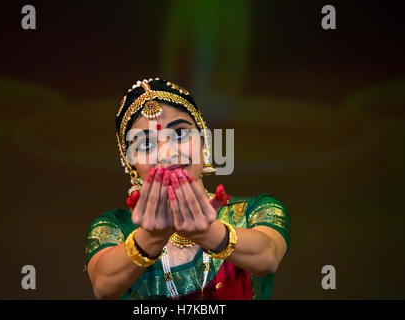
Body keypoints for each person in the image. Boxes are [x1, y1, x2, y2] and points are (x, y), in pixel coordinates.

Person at [84, 78, 291, 300]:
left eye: (180, 134)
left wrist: (205, 232)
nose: (167, 153)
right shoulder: (114, 228)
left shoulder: (255, 210)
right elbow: (104, 286)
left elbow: (267, 257)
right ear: (131, 164)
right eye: (145, 144)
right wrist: (152, 237)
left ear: (203, 141)